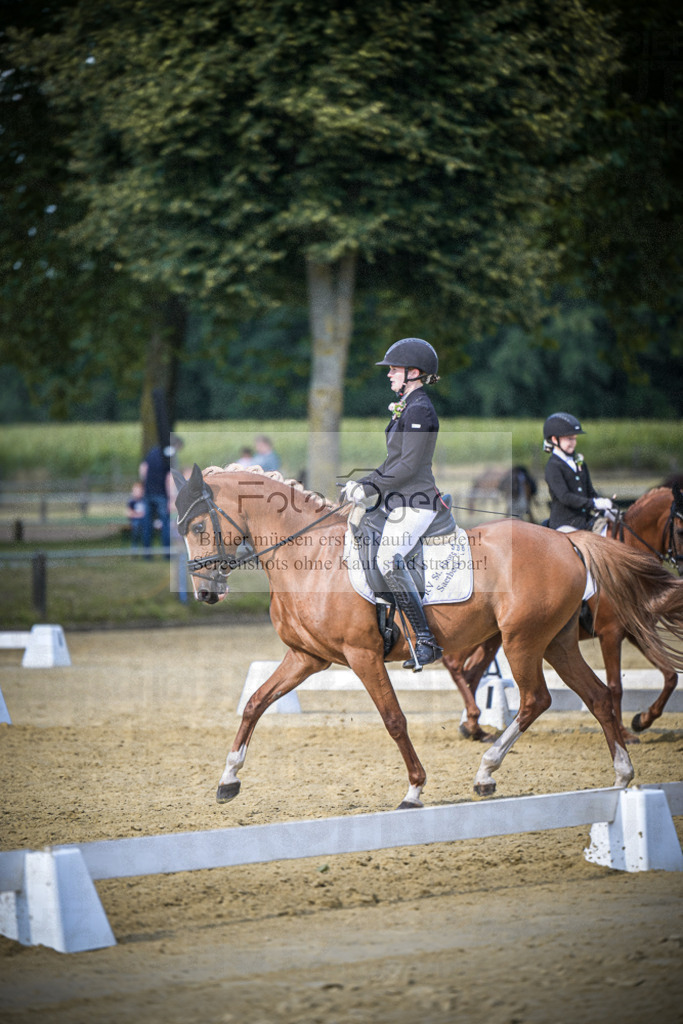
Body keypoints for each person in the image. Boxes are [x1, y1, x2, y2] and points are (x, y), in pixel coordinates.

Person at [341, 337, 447, 670]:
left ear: (413, 372)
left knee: (388, 559)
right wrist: (364, 483)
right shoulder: (408, 406)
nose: (389, 375)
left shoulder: (419, 409)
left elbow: (409, 466)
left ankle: (426, 640)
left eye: (394, 370)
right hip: (398, 501)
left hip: (417, 502)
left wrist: (371, 488)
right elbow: (393, 461)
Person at [542, 412, 616, 532]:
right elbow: (565, 497)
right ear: (554, 439)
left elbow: (590, 492)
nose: (573, 443)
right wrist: (594, 504)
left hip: (587, 521)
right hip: (565, 525)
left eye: (575, 438)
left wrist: (605, 509)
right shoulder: (553, 466)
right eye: (569, 439)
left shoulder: (579, 462)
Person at [126, 480, 146, 550]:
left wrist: (139, 514)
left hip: (144, 520)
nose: (138, 493)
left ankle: (145, 546)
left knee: (145, 528)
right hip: (135, 520)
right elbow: (129, 513)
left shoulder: (144, 501)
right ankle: (135, 546)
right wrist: (138, 515)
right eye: (136, 491)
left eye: (139, 491)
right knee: (136, 525)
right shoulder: (132, 501)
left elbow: (146, 513)